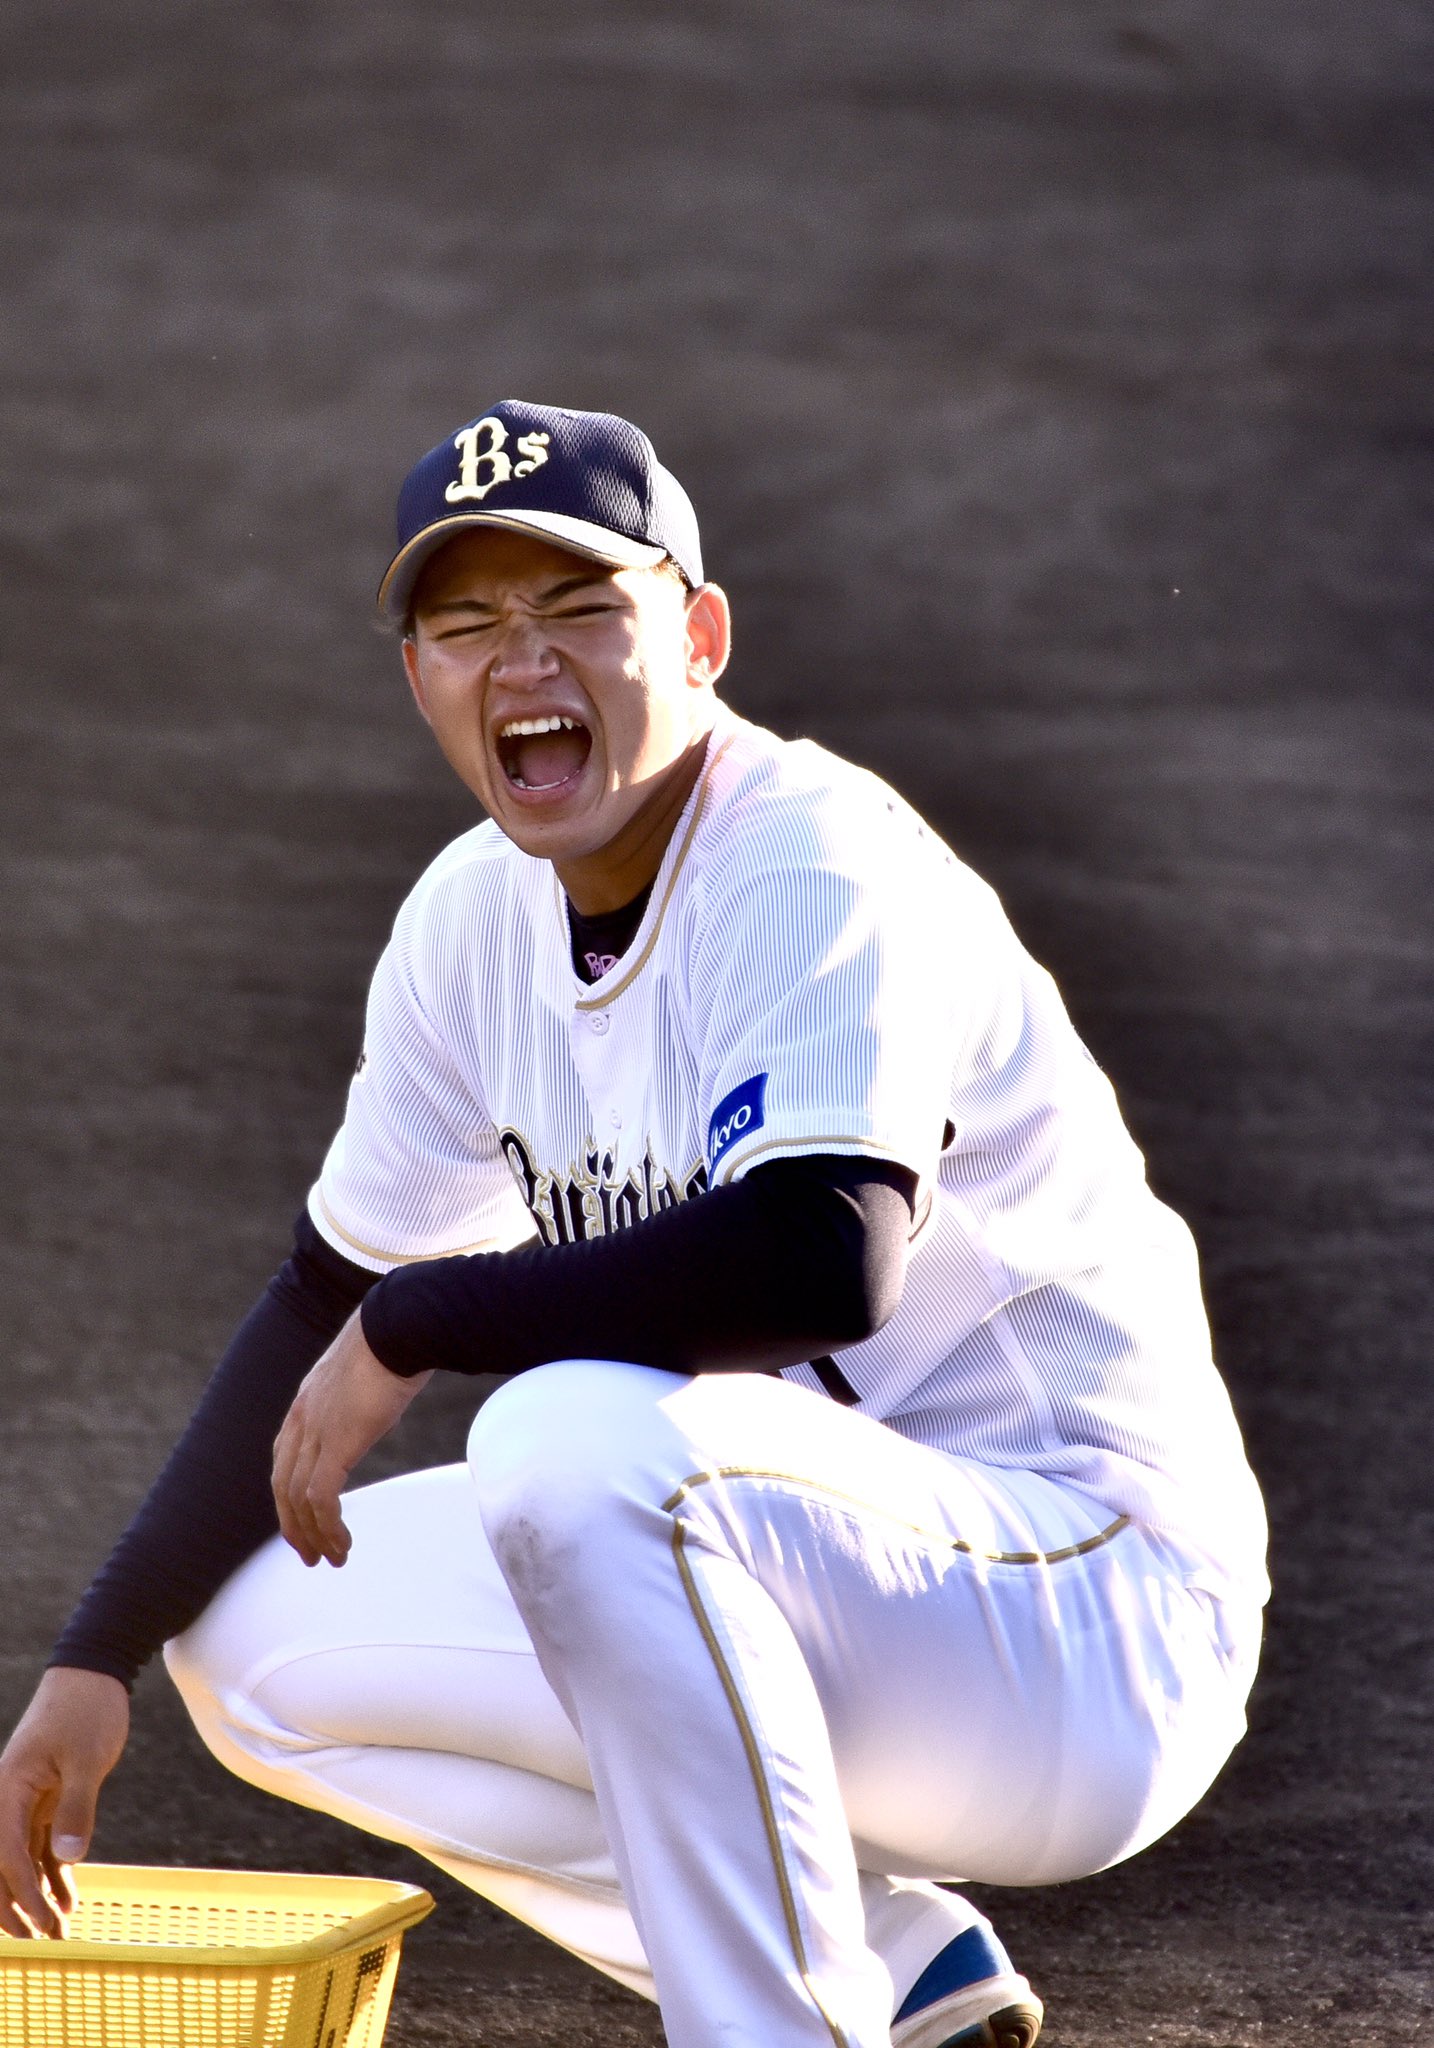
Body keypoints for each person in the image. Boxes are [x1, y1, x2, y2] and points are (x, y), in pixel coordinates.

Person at [0, 400, 1268, 2048]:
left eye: (579, 611)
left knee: (569, 1434)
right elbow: (330, 1281)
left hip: (1083, 1621)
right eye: (468, 626)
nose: (523, 664)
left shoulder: (806, 858)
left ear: (699, 633)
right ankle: (885, 1974)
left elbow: (825, 1255)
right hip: (818, 1587)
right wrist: (93, 1651)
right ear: (419, 681)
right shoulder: (467, 920)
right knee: (250, 1645)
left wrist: (427, 1321)